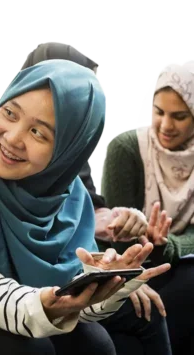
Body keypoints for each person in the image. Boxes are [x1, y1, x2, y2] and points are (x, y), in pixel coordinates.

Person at [0, 56, 170, 355]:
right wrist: (44, 307)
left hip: (18, 300)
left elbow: (72, 298)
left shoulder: (64, 188)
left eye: (39, 132)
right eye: (9, 112)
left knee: (98, 343)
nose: (12, 138)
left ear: (69, 149)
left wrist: (110, 284)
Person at [19, 40, 173, 355]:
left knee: (147, 311)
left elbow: (91, 207)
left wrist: (116, 223)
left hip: (73, 269)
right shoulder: (8, 141)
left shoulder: (73, 141)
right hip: (20, 280)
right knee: (95, 342)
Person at [100, 61, 194, 354]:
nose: (166, 125)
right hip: (126, 264)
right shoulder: (127, 148)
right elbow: (113, 233)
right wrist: (141, 235)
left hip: (177, 261)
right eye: (159, 112)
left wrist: (166, 245)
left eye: (179, 116)